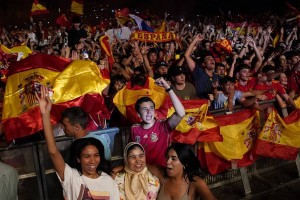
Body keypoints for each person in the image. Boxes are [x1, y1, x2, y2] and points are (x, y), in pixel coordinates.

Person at [36, 86, 119, 200]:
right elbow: (53, 151)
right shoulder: (72, 178)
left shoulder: (109, 182)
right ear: (78, 158)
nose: (92, 161)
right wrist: (45, 114)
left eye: (96, 155)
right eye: (86, 156)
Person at [131, 77, 185, 167]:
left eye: (151, 108)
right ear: (139, 114)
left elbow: (181, 113)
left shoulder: (163, 126)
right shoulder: (134, 129)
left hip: (162, 173)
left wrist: (168, 87)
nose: (149, 112)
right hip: (144, 173)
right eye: (144, 109)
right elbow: (132, 152)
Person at [184, 34, 222, 99]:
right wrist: (195, 40)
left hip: (216, 108)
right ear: (203, 64)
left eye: (212, 59)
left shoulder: (218, 77)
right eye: (208, 59)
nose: (212, 60)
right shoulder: (198, 72)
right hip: (202, 106)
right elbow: (186, 55)